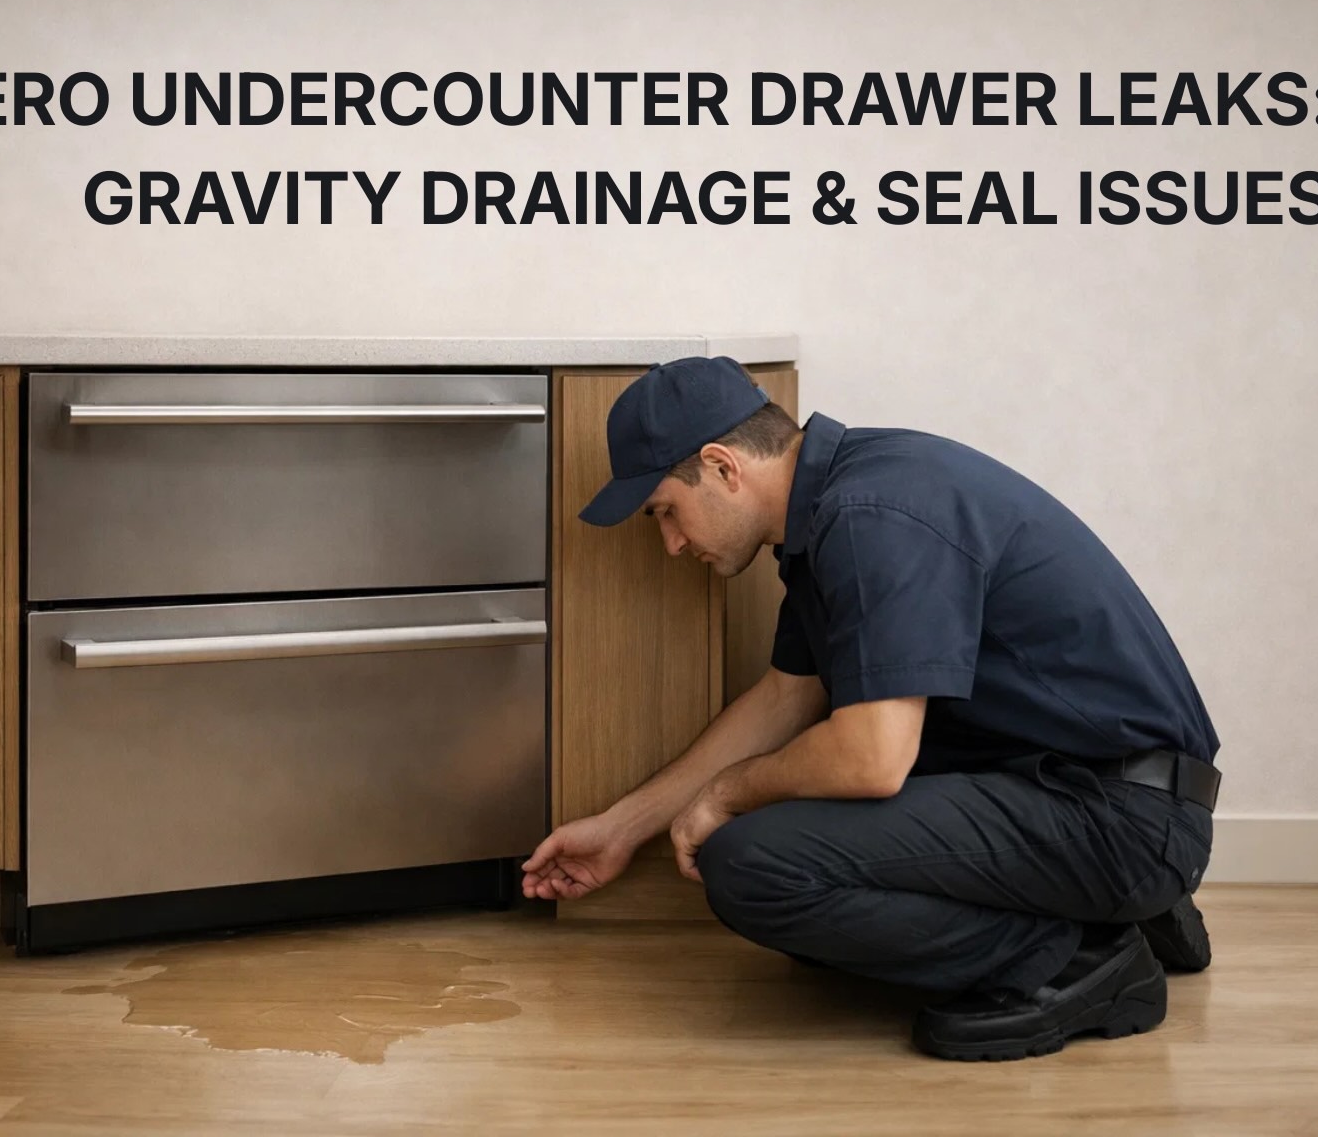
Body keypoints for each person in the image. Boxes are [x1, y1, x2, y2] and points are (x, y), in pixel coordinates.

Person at [520, 356, 1220, 1062]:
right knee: (810, 878)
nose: (671, 544)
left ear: (723, 467)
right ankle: (1093, 902)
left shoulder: (869, 516)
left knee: (756, 867)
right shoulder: (836, 508)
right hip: (1079, 785)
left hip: (1120, 815)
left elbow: (873, 760)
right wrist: (621, 827)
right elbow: (783, 702)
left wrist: (727, 794)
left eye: (666, 511)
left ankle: (1076, 959)